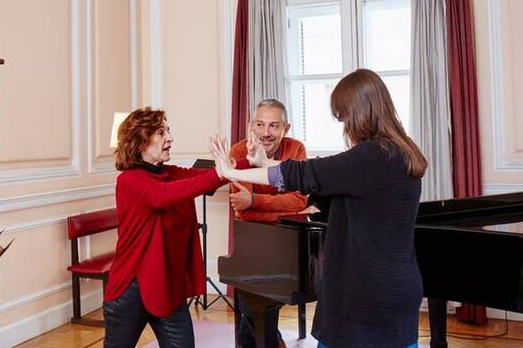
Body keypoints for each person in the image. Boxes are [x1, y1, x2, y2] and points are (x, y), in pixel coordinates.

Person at [210, 69, 427, 348]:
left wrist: (231, 172)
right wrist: (264, 163)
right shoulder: (402, 152)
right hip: (399, 287)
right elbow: (316, 173)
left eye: (344, 116)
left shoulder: (370, 156)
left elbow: (305, 174)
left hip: (365, 297)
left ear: (359, 113)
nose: (345, 126)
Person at [103, 107, 231, 348]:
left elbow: (208, 177)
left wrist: (250, 161)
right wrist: (220, 173)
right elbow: (163, 196)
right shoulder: (129, 180)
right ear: (141, 141)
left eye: (168, 131)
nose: (170, 138)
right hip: (130, 290)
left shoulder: (169, 173)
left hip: (165, 286)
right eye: (161, 132)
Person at [229, 99, 307, 348]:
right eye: (260, 124)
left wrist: (255, 200)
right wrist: (285, 206)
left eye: (274, 125)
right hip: (253, 239)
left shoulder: (296, 149)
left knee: (260, 296)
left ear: (286, 128)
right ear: (251, 125)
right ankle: (272, 340)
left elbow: (299, 201)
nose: (266, 132)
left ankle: (258, 341)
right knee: (256, 292)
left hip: (289, 239)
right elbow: (244, 213)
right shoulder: (239, 151)